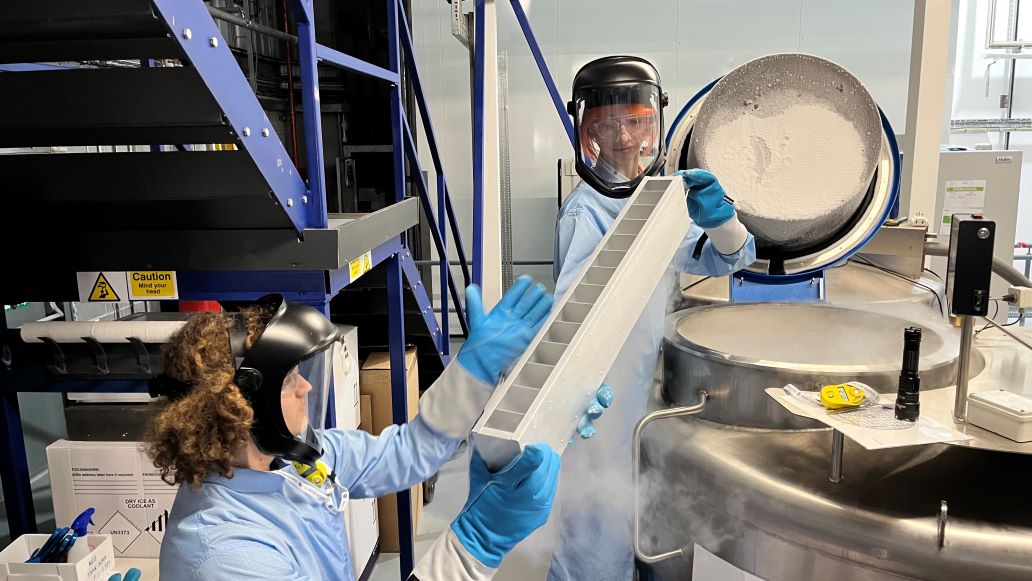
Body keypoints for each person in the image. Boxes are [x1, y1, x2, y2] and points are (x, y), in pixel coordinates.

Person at [145, 276, 612, 580]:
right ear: (244, 407)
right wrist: (473, 547)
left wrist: (480, 375)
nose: (306, 388)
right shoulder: (226, 557)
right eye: (290, 380)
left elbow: (409, 450)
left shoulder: (284, 460)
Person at [547, 56, 757, 581]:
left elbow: (729, 258)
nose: (624, 137)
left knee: (641, 525)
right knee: (594, 541)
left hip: (645, 394)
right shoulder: (586, 213)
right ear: (586, 132)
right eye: (608, 124)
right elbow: (572, 319)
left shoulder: (655, 203)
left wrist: (722, 220)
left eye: (636, 121)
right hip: (601, 404)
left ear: (653, 123)